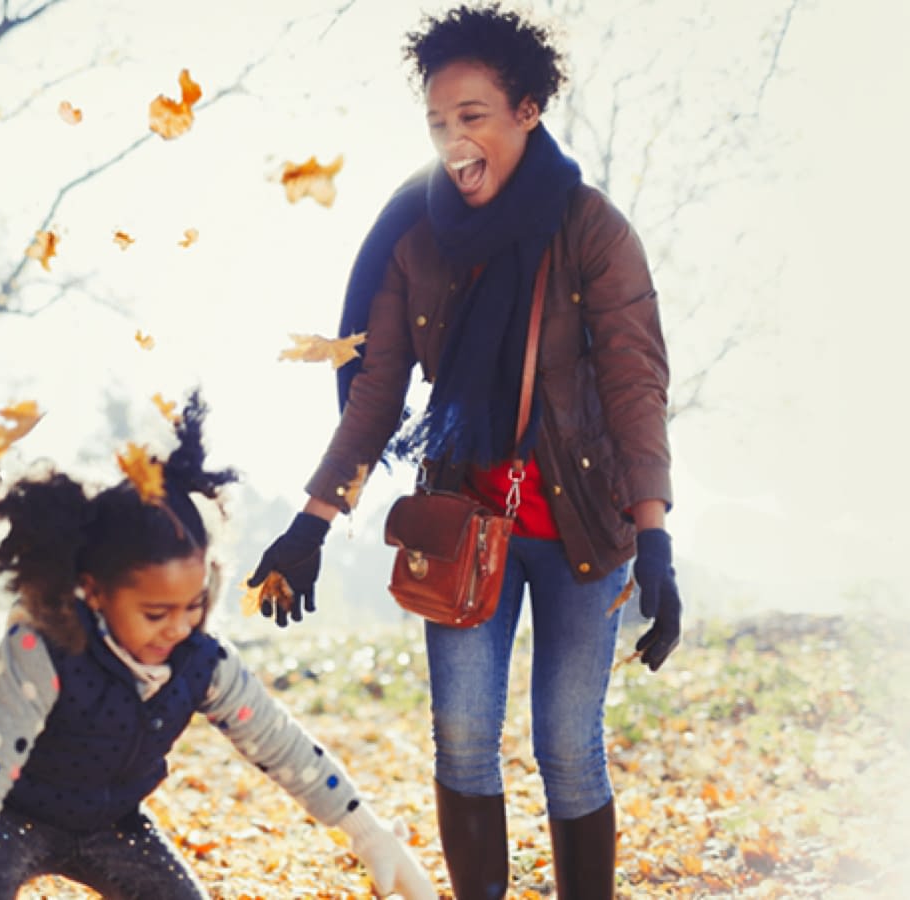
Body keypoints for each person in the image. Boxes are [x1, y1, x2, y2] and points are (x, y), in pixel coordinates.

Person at [246, 5, 682, 898]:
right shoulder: (417, 239)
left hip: (585, 527)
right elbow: (374, 402)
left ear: (526, 110)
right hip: (462, 531)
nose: (453, 139)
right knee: (463, 739)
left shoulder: (592, 230)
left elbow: (637, 390)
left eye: (472, 116)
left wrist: (659, 537)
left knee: (568, 745)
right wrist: (311, 524)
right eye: (439, 121)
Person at [0, 392, 435, 900]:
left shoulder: (203, 662)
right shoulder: (44, 647)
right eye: (154, 614)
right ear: (95, 591)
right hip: (16, 816)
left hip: (111, 826)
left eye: (193, 605)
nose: (178, 628)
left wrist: (368, 832)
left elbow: (281, 744)